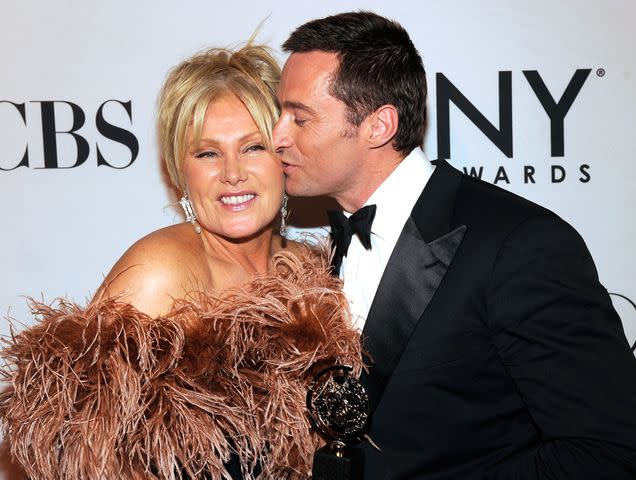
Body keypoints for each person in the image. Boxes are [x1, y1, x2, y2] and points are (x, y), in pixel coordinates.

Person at [273, 10, 636, 479]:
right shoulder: (316, 256)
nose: (277, 136)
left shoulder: (520, 246)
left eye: (299, 118)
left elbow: (608, 452)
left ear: (379, 126)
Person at [0, 44, 362, 480]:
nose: (232, 172)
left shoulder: (313, 272)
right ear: (178, 173)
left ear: (284, 155)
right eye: (207, 153)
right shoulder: (161, 270)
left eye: (253, 147)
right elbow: (73, 450)